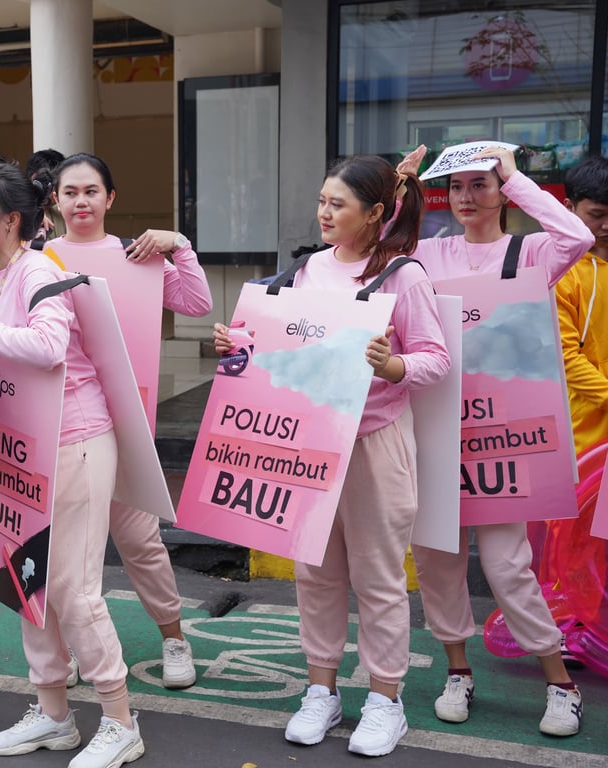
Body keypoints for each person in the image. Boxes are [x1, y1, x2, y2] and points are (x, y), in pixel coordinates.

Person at [215, 154, 449, 756]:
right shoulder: (304, 271)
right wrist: (236, 344)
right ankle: (321, 692)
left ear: (374, 214)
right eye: (321, 200)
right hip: (307, 442)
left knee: (378, 579)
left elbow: (435, 357)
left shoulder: (403, 275)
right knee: (316, 577)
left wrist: (393, 365)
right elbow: (272, 350)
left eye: (336, 203)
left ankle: (384, 701)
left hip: (373, 443)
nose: (323, 212)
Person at [0, 161, 145, 768]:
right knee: (28, 584)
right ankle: (53, 714)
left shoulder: (42, 269)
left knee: (73, 591)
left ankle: (121, 722)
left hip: (74, 442)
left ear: (10, 219)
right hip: (13, 449)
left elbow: (47, 348)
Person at [399, 143, 593, 738]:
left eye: (480, 185)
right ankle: (458, 670)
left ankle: (561, 683)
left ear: (500, 190)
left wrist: (515, 177)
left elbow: (577, 236)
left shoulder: (530, 251)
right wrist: (403, 187)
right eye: (457, 186)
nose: (466, 197)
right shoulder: (426, 253)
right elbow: (375, 249)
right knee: (437, 559)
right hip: (434, 424)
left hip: (502, 435)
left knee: (509, 565)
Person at [49, 152, 212, 689]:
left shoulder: (136, 255)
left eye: (91, 191)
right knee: (61, 546)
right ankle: (67, 647)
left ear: (110, 198)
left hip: (127, 427)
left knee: (141, 542)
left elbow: (195, 301)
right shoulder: (40, 259)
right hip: (64, 428)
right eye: (70, 192)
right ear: (55, 200)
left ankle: (174, 639)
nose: (80, 202)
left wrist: (179, 244)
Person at [556, 155, 608, 454]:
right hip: (585, 417)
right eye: (597, 215)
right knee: (592, 498)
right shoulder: (556, 266)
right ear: (568, 208)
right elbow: (566, 358)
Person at [26, 148, 67, 241]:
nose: (52, 190)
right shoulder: (17, 211)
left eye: (56, 183)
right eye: (45, 181)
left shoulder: (66, 211)